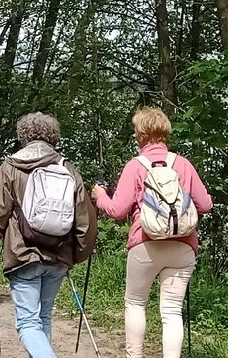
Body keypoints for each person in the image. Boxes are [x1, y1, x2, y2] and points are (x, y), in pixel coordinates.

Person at [91, 106, 215, 358]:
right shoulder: (183, 164)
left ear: (140, 134)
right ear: (165, 132)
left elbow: (116, 210)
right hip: (183, 247)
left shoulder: (135, 166)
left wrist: (100, 196)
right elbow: (206, 206)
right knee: (171, 311)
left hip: (145, 244)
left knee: (136, 304)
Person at [0, 112, 99, 358]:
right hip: (59, 255)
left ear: (23, 136)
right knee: (43, 317)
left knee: (28, 323)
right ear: (53, 136)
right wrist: (78, 253)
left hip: (23, 255)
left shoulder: (11, 167)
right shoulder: (67, 168)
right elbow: (85, 219)